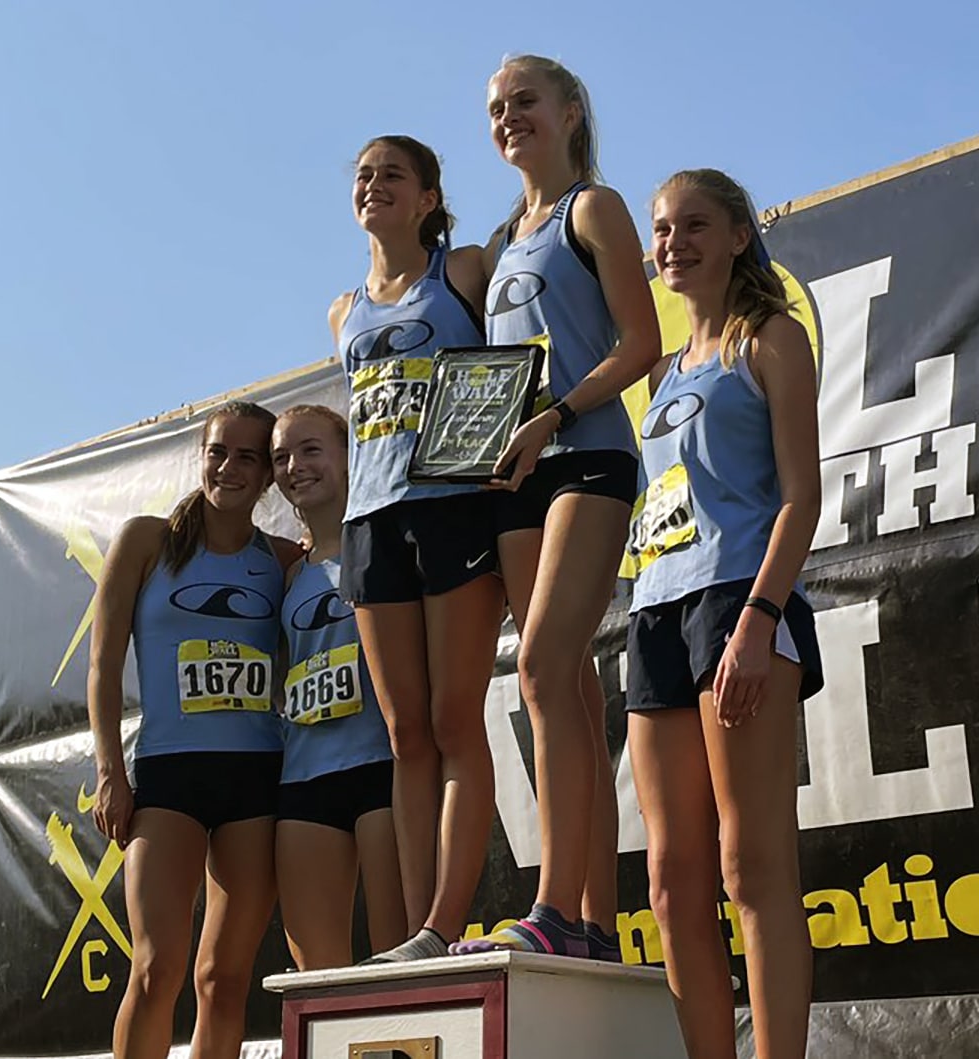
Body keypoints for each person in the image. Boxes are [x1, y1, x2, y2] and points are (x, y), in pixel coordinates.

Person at [450, 54, 661, 960]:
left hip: (588, 457)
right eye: (496, 109)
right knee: (567, 687)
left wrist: (555, 414)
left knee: (539, 665)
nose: (508, 119)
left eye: (524, 101)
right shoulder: (502, 240)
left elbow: (643, 343)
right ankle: (595, 925)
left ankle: (555, 910)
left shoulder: (593, 208)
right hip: (516, 476)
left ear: (571, 111)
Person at [624, 169, 824, 1059]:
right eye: (663, 231)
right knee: (671, 881)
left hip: (739, 603)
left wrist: (758, 617)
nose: (675, 244)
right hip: (657, 614)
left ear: (740, 234)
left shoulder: (771, 339)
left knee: (752, 865)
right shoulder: (663, 376)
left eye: (695, 225)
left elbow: (801, 498)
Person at [331, 136, 502, 963]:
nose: (375, 186)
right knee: (404, 735)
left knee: (453, 718)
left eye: (393, 175)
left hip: (451, 505)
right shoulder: (342, 311)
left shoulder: (464, 270)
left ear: (430, 196)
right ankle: (411, 936)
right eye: (364, 176)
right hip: (369, 518)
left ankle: (445, 921)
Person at [89, 401, 301, 1059]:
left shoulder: (287, 559)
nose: (228, 466)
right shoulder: (145, 541)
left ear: (268, 474)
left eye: (247, 456)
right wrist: (109, 774)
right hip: (166, 778)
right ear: (200, 456)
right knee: (156, 969)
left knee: (224, 977)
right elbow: (102, 664)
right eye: (217, 451)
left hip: (257, 779)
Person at [270, 403, 406, 968]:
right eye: (281, 457)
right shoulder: (286, 572)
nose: (295, 466)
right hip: (303, 780)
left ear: (349, 457)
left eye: (311, 450)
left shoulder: (389, 540)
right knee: (317, 981)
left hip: (383, 770)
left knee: (398, 962)